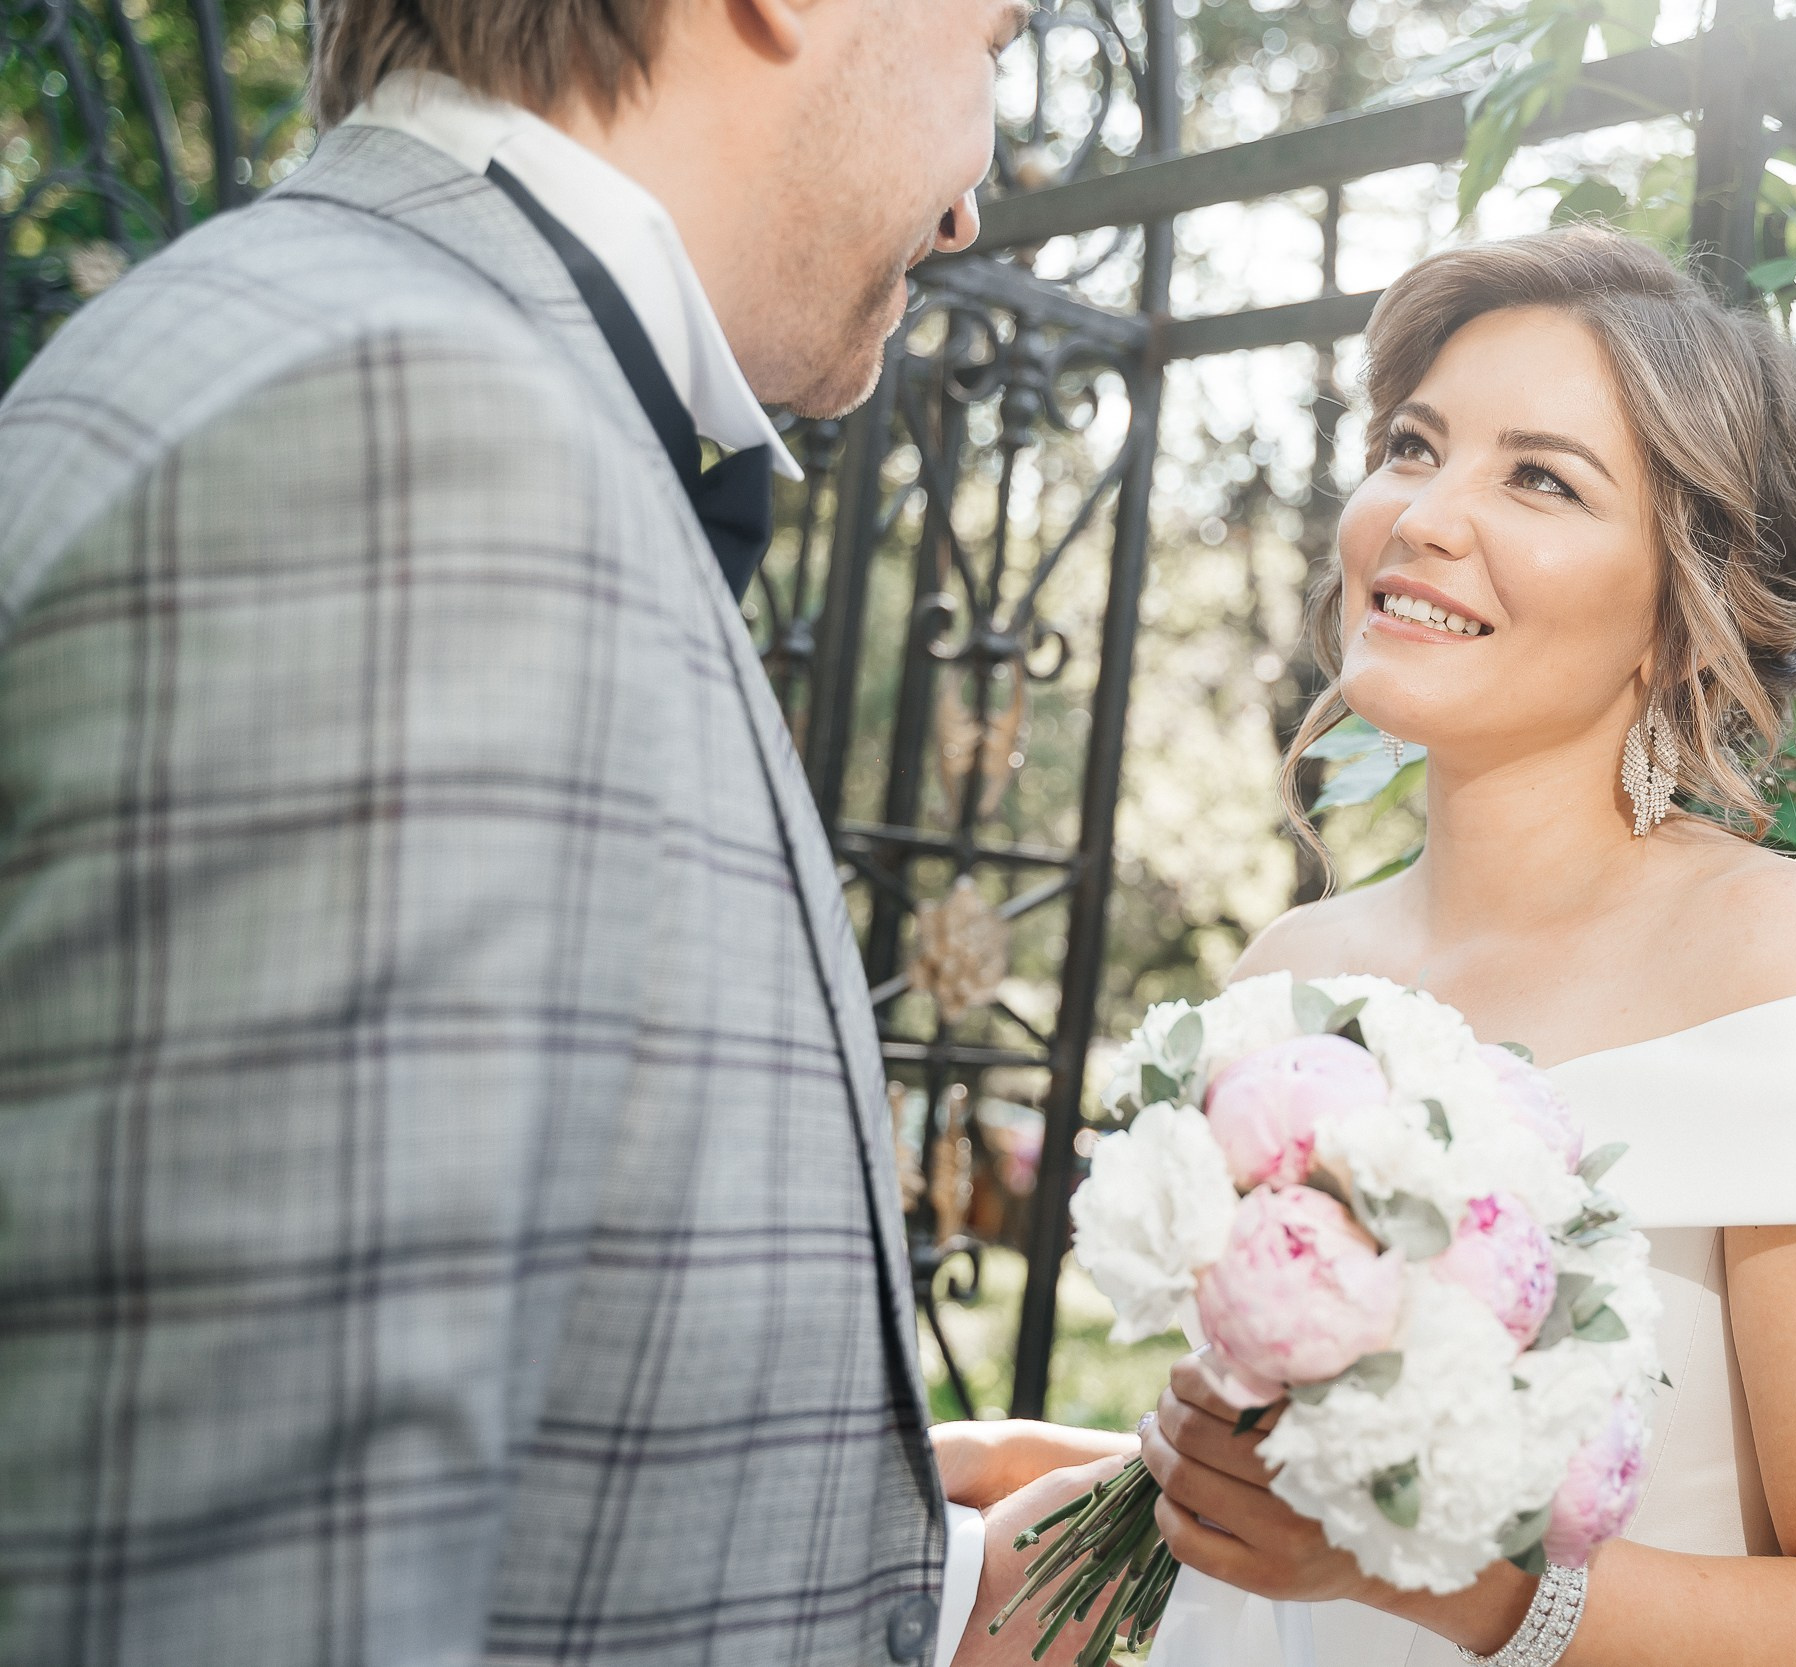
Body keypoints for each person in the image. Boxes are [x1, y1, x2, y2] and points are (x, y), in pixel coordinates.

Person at [0, 2, 1118, 1664]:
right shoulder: (407, 438)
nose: (970, 204)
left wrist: (922, 1590)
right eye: (994, 41)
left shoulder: (374, 366)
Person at [1130, 229, 1796, 1666]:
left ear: (1688, 610)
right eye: (1413, 446)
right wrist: (1086, 1474)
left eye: (1540, 478)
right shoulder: (1286, 977)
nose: (1425, 516)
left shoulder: (1795, 973)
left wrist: (1450, 1585)